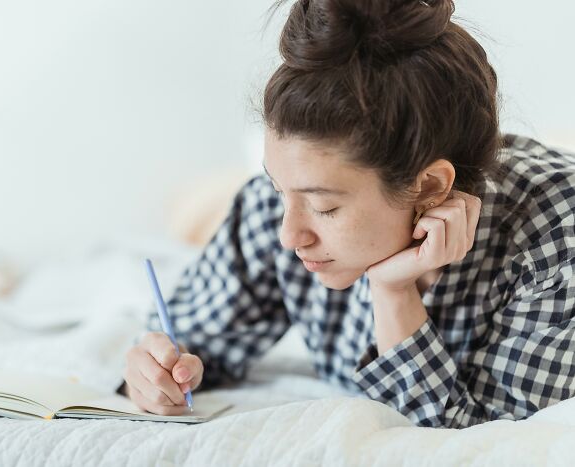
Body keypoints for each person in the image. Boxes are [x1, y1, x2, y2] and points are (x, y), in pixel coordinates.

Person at [119, 0, 575, 429]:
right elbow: (193, 339)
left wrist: (393, 293)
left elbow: (499, 440)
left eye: (324, 207)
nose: (288, 235)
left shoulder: (556, 239)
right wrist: (156, 369)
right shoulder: (272, 207)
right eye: (280, 190)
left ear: (431, 187)